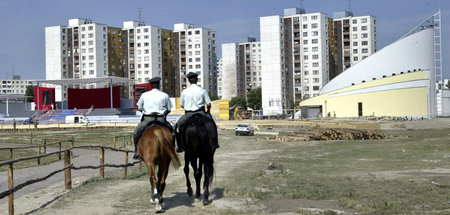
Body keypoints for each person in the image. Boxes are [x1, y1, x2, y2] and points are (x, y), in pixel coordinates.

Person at [174, 72, 218, 152]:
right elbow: (208, 104)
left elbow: (182, 105)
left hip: (188, 114)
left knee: (178, 126)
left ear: (188, 81)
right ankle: (215, 143)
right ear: (197, 80)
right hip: (201, 112)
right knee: (212, 124)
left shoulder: (184, 92)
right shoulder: (202, 90)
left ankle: (180, 146)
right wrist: (207, 112)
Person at [133, 77, 173, 159]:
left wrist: (145, 112)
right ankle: (173, 149)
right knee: (172, 132)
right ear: (159, 85)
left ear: (150, 85)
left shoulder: (144, 95)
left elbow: (139, 108)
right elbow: (169, 109)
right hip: (161, 119)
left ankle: (136, 151)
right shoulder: (165, 95)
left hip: (148, 119)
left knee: (136, 133)